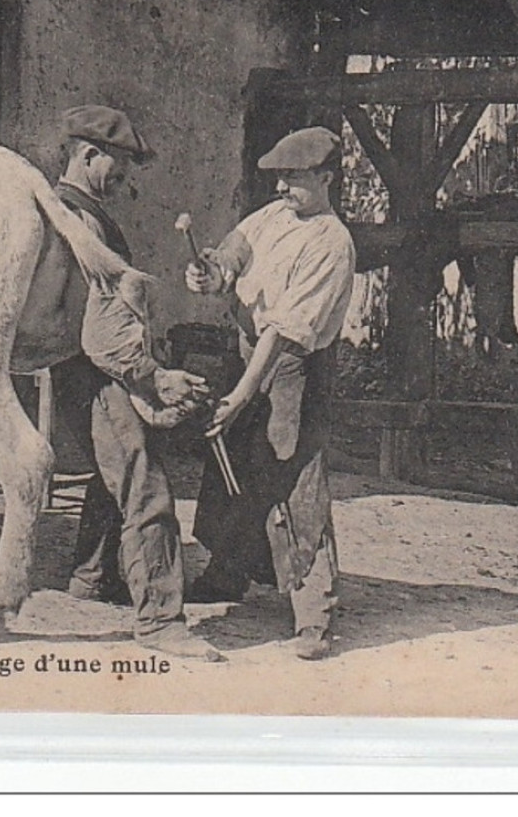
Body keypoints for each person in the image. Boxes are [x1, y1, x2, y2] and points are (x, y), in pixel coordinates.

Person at [50, 104, 221, 662]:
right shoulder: (83, 221)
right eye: (117, 169)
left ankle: (92, 578)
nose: (124, 182)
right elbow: (102, 325)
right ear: (86, 154)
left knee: (114, 472)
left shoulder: (71, 211)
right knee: (144, 482)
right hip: (96, 370)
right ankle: (161, 622)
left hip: (92, 365)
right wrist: (152, 377)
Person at [184, 125, 357, 660]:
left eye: (295, 179)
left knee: (294, 477)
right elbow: (235, 250)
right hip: (250, 353)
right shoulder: (273, 217)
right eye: (279, 178)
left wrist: (242, 392)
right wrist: (211, 273)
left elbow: (283, 332)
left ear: (325, 178)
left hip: (292, 368)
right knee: (233, 463)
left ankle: (314, 612)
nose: (282, 188)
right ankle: (227, 572)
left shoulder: (332, 242)